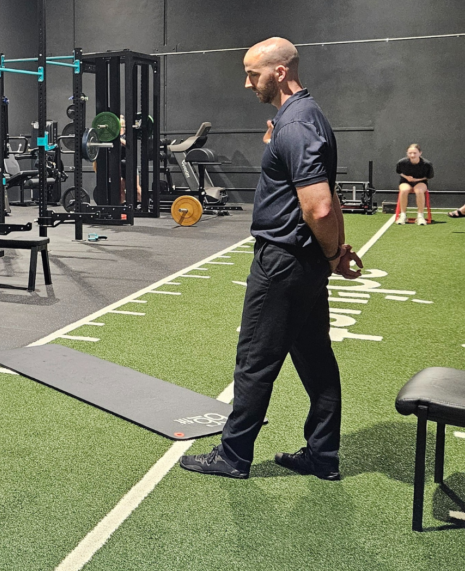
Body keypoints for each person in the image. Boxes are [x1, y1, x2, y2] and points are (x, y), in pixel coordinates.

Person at [180, 37, 363, 481]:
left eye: (252, 73)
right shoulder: (304, 116)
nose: (247, 83)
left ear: (279, 72)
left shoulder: (296, 124)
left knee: (255, 360)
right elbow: (326, 194)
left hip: (283, 262)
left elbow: (319, 206)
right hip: (305, 263)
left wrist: (329, 249)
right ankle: (323, 455)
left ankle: (234, 455)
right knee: (315, 358)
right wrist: (335, 252)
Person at [395, 144, 433, 225]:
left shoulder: (427, 164)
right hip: (405, 181)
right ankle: (403, 215)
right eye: (410, 153)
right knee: (404, 190)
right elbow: (399, 172)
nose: (412, 155)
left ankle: (420, 216)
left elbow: (429, 176)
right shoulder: (402, 162)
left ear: (420, 153)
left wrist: (417, 179)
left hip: (421, 182)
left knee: (419, 191)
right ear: (407, 153)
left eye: (415, 153)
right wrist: (407, 177)